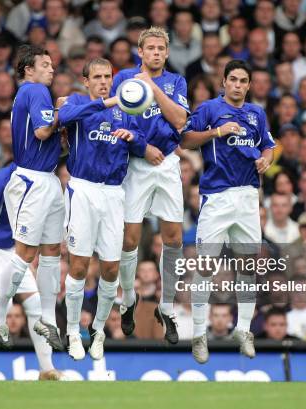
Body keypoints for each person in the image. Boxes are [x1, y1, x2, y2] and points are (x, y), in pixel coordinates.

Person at [182, 59, 275, 363]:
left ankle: (243, 329)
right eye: (232, 79)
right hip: (217, 195)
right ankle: (198, 334)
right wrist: (217, 132)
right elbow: (185, 138)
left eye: (243, 80)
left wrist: (266, 159)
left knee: (248, 264)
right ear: (224, 82)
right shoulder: (209, 109)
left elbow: (268, 145)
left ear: (249, 85)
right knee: (206, 265)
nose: (237, 84)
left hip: (248, 195)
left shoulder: (256, 113)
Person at [58, 57, 146, 360]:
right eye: (97, 77)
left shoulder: (126, 109)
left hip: (113, 194)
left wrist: (132, 136)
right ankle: (71, 331)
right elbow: (65, 116)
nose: (104, 81)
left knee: (111, 268)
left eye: (108, 76)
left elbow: (142, 141)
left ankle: (97, 331)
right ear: (86, 81)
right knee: (79, 266)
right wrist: (106, 102)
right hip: (83, 189)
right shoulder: (78, 102)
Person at [110, 26, 189, 345]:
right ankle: (129, 299)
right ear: (139, 52)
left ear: (167, 53)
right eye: (150, 48)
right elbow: (117, 122)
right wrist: (143, 148)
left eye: (161, 48)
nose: (156, 52)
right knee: (130, 238)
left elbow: (180, 121)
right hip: (135, 164)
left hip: (168, 162)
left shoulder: (176, 81)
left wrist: (153, 89)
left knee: (173, 237)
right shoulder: (123, 80)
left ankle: (166, 307)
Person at [0, 45, 65, 351]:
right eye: (45, 64)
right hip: (31, 178)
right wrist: (64, 111)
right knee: (26, 252)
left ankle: (47, 319)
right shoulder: (35, 91)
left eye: (52, 65)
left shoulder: (33, 93)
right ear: (28, 70)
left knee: (51, 250)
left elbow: (46, 138)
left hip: (47, 178)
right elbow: (44, 131)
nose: (51, 69)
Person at [0, 161, 65, 380]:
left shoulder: (43, 183)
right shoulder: (1, 178)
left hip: (10, 252)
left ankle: (47, 370)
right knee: (3, 303)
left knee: (36, 304)